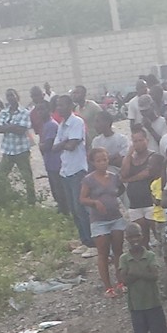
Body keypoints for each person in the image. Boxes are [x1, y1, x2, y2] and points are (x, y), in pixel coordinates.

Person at [81, 146, 128, 296]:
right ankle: (108, 286)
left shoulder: (114, 176)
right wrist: (95, 202)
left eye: (105, 160)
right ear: (93, 162)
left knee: (118, 251)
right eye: (99, 161)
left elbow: (120, 189)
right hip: (99, 220)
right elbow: (82, 198)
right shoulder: (88, 180)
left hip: (115, 217)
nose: (102, 163)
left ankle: (121, 281)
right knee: (103, 253)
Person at [122, 125, 164, 254]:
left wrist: (129, 179)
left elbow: (147, 173)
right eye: (135, 141)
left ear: (147, 140)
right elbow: (123, 174)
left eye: (141, 140)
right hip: (135, 204)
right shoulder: (132, 158)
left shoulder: (153, 157)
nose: (138, 143)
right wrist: (128, 154)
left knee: (158, 234)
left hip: (150, 201)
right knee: (141, 237)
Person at [57, 95, 91, 243]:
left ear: (70, 105)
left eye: (62, 105)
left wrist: (64, 143)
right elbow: (54, 147)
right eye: (58, 105)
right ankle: (84, 240)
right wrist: (66, 142)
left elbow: (72, 146)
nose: (59, 108)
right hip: (65, 171)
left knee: (81, 208)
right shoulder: (61, 125)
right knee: (73, 209)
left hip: (77, 170)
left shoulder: (77, 122)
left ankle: (91, 241)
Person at [0, 89, 36, 203]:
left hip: (21, 150)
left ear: (17, 96)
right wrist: (13, 126)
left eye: (12, 95)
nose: (10, 98)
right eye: (8, 96)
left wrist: (7, 126)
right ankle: (4, 199)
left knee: (27, 177)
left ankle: (32, 201)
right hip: (8, 150)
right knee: (0, 176)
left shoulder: (25, 112)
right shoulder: (4, 112)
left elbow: (22, 130)